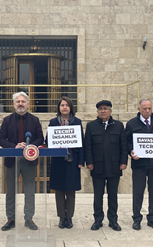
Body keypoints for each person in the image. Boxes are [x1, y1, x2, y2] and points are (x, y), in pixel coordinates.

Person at [0, 91, 44, 231]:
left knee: (29, 189)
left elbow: (40, 139)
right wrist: (15, 146)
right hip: (12, 160)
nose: (20, 104)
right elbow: (0, 139)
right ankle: (10, 218)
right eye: (18, 101)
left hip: (29, 160)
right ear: (13, 104)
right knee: (11, 190)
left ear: (28, 104)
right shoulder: (7, 120)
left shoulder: (35, 120)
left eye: (23, 101)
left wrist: (30, 147)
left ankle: (29, 218)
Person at [125, 98, 153, 231]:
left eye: (149, 108)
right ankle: (137, 219)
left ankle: (152, 218)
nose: (147, 111)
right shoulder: (132, 124)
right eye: (144, 109)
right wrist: (130, 151)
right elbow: (126, 141)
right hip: (139, 164)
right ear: (139, 109)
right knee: (138, 192)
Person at [85, 100, 127, 231]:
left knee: (113, 195)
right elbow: (88, 146)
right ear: (97, 111)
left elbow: (123, 146)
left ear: (110, 111)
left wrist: (124, 161)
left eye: (106, 108)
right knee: (98, 195)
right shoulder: (91, 126)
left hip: (114, 165)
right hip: (97, 165)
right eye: (100, 109)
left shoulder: (119, 126)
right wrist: (89, 162)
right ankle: (98, 220)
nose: (103, 111)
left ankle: (113, 220)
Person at [47, 97, 85, 229]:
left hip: (72, 161)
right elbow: (48, 140)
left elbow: (82, 143)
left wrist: (81, 161)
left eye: (67, 105)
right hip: (58, 161)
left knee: (70, 191)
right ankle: (61, 217)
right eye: (62, 105)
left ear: (70, 107)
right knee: (59, 191)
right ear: (59, 107)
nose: (64, 107)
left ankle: (69, 217)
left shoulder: (77, 122)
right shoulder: (53, 122)